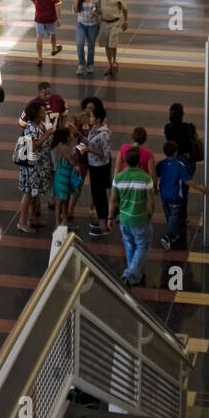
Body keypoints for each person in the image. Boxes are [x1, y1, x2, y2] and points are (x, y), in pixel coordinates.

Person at [109, 146, 155, 289]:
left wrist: (110, 217)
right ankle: (130, 275)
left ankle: (135, 276)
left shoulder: (118, 178)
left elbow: (112, 200)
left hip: (124, 219)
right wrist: (150, 214)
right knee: (143, 245)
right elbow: (151, 201)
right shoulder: (146, 178)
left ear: (125, 162)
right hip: (140, 218)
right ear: (139, 162)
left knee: (129, 245)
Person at [14, 100, 54, 234]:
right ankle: (22, 222)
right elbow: (32, 146)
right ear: (36, 114)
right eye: (42, 112)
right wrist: (46, 135)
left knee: (34, 193)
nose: (45, 113)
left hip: (40, 165)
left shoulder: (40, 124)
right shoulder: (30, 127)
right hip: (32, 166)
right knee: (29, 193)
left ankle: (32, 218)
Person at [80, 99, 112, 239]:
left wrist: (90, 150)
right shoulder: (94, 129)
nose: (90, 118)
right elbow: (90, 142)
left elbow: (105, 154)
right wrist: (80, 135)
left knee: (99, 196)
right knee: (96, 193)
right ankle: (102, 221)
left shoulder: (104, 134)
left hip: (100, 167)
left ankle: (103, 224)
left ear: (98, 119)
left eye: (92, 116)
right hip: (93, 165)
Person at [157, 140, 193, 251]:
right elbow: (187, 180)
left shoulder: (161, 163)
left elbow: (157, 173)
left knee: (169, 215)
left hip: (164, 194)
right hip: (175, 195)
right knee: (175, 215)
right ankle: (168, 236)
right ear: (176, 152)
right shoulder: (179, 165)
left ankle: (174, 234)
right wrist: (202, 189)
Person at [30, 0, 63, 67]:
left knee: (39, 36)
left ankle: (40, 58)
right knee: (53, 33)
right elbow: (57, 5)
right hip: (50, 17)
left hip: (39, 16)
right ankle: (53, 49)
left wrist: (38, 6)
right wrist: (58, 18)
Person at [100, 0, 128, 78]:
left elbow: (125, 8)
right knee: (106, 45)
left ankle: (115, 62)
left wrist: (126, 21)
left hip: (115, 22)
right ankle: (109, 65)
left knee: (112, 44)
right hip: (103, 22)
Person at [75, 0, 101, 75]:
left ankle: (90, 65)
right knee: (80, 44)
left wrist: (95, 12)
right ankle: (81, 65)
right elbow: (75, 10)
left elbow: (99, 10)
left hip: (93, 26)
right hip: (81, 25)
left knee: (91, 46)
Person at [50, 128, 75, 228]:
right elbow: (72, 161)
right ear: (67, 137)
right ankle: (58, 223)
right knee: (60, 200)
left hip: (62, 175)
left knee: (65, 199)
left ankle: (64, 221)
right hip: (62, 177)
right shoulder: (65, 148)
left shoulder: (63, 147)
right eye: (71, 133)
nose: (73, 134)